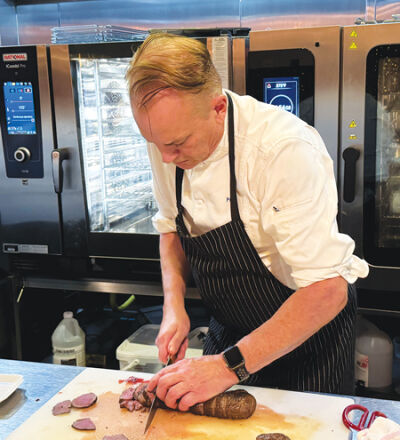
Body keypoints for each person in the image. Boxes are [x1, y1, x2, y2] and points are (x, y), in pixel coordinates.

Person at [126, 33, 369, 411]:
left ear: (218, 107)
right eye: (154, 143)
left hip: (308, 343)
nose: (166, 157)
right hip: (231, 330)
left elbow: (327, 289)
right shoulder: (166, 139)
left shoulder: (282, 150)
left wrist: (227, 367)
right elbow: (172, 226)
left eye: (177, 144)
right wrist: (173, 306)